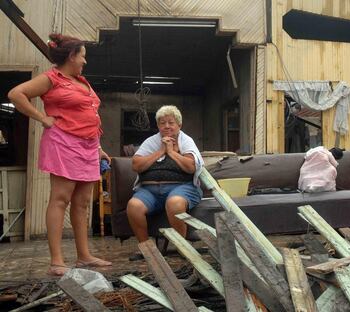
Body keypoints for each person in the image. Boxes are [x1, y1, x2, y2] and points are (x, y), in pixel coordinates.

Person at [8, 33, 112, 276]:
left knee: (83, 202)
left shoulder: (82, 82)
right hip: (64, 142)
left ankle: (84, 256)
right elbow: (16, 94)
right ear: (71, 56)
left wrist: (98, 147)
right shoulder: (51, 78)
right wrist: (42, 118)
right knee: (60, 198)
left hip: (88, 146)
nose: (85, 62)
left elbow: (87, 115)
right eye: (83, 56)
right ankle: (56, 261)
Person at [127, 105, 204, 243]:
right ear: (158, 126)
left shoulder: (186, 141)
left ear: (179, 125)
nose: (167, 126)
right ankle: (147, 249)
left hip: (181, 188)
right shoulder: (151, 142)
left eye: (171, 122)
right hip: (149, 191)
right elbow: (136, 165)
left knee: (174, 203)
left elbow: (191, 167)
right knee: (134, 206)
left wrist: (172, 153)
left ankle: (183, 248)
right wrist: (161, 152)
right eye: (162, 123)